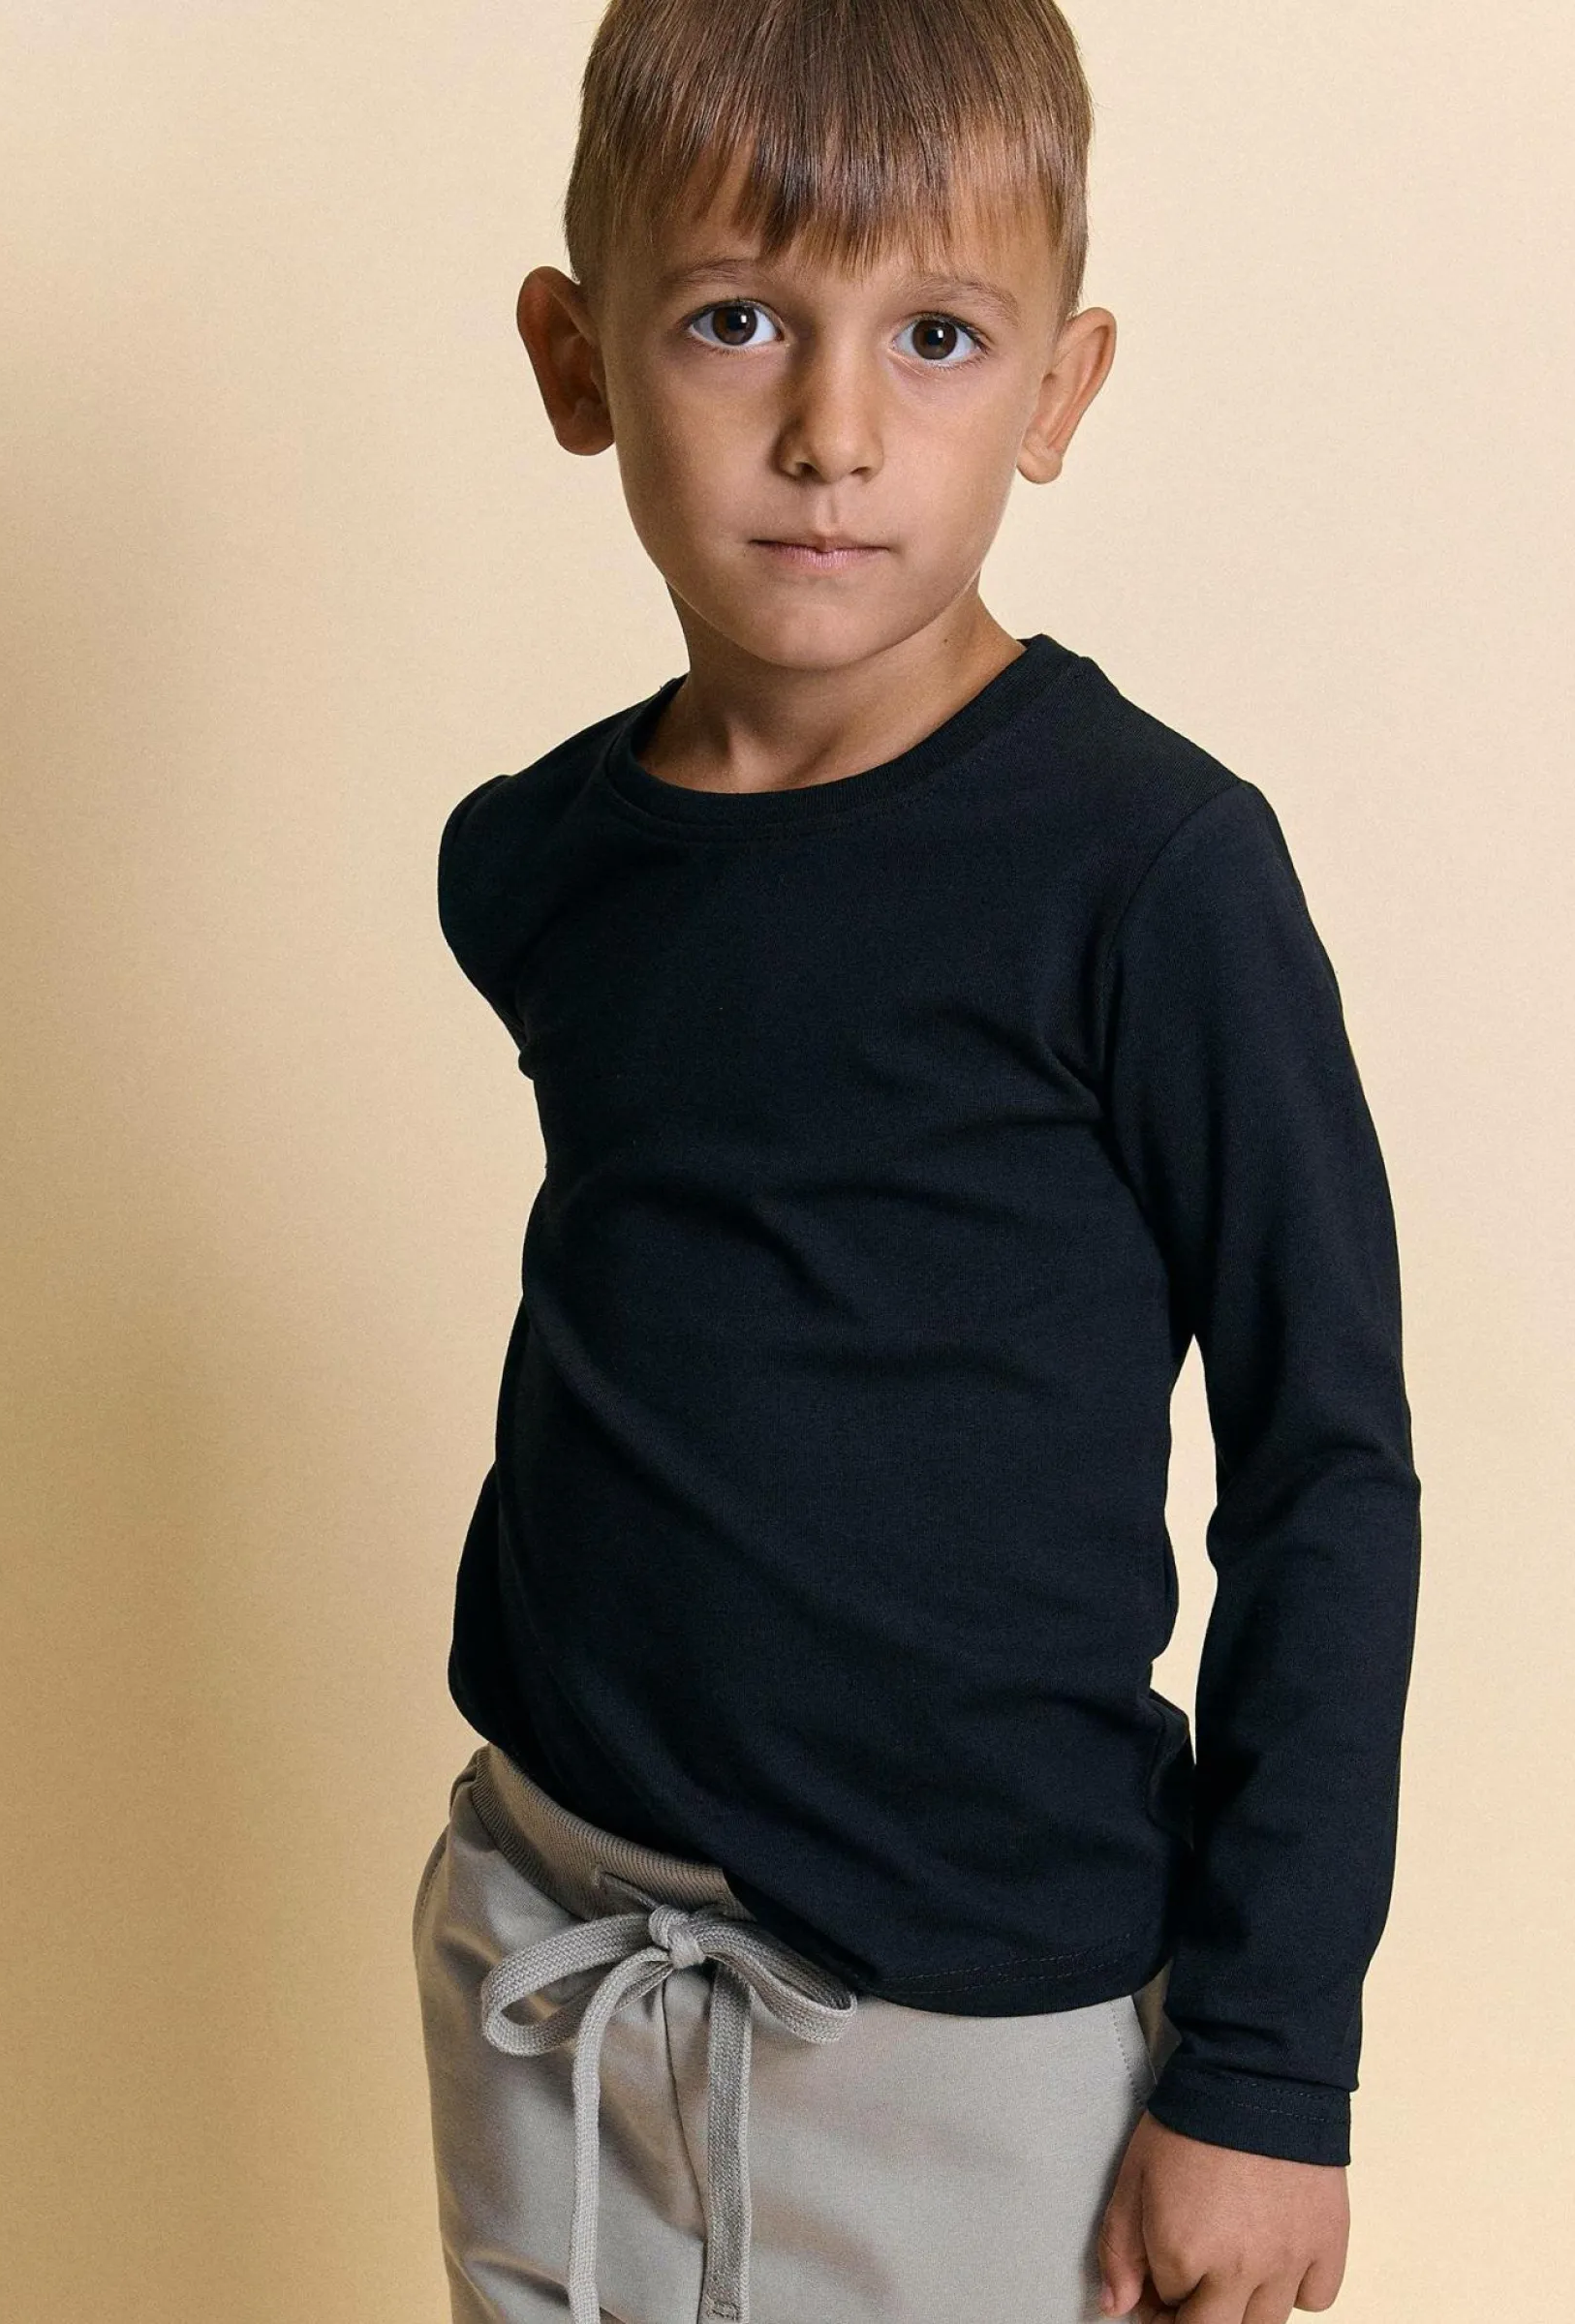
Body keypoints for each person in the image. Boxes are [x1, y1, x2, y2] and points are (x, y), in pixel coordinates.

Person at [414, 2, 1422, 2318]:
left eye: (937, 338)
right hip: (554, 1955)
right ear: (577, 359)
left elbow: (1326, 1466)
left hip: (972, 2027)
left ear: (1059, 389)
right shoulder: (539, 865)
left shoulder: (1152, 876)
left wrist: (1269, 2068)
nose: (834, 431)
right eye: (735, 319)